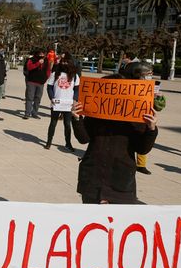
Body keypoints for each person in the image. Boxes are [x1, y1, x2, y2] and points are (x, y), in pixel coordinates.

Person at [70, 72, 158, 204]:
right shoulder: (95, 113)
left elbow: (142, 149)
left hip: (121, 182)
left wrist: (151, 129)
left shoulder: (134, 117)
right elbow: (83, 139)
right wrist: (77, 119)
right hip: (93, 179)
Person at [44, 55, 80, 151]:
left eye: (66, 62)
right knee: (53, 123)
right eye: (63, 62)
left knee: (67, 125)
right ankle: (48, 142)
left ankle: (68, 143)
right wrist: (52, 97)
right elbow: (49, 87)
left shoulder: (75, 76)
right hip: (56, 103)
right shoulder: (55, 74)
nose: (64, 64)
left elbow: (76, 90)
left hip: (68, 104)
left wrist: (75, 100)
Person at [23, 49, 48, 119]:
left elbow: (48, 70)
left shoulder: (46, 60)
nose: (42, 55)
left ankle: (34, 113)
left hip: (41, 83)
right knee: (29, 98)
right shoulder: (31, 60)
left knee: (38, 98)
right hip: (32, 81)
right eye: (40, 54)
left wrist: (45, 78)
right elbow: (29, 67)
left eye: (43, 54)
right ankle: (27, 113)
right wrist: (38, 63)